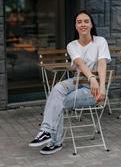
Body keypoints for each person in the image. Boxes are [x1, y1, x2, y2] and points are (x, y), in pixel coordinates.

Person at [29, 10, 111, 155]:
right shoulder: (72, 45)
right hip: (77, 81)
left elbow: (102, 64)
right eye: (79, 22)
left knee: (57, 101)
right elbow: (80, 63)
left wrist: (102, 87)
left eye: (86, 21)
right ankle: (46, 131)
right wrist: (91, 77)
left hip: (94, 90)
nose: (83, 24)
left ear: (91, 24)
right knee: (56, 90)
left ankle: (55, 142)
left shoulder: (100, 41)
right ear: (75, 26)